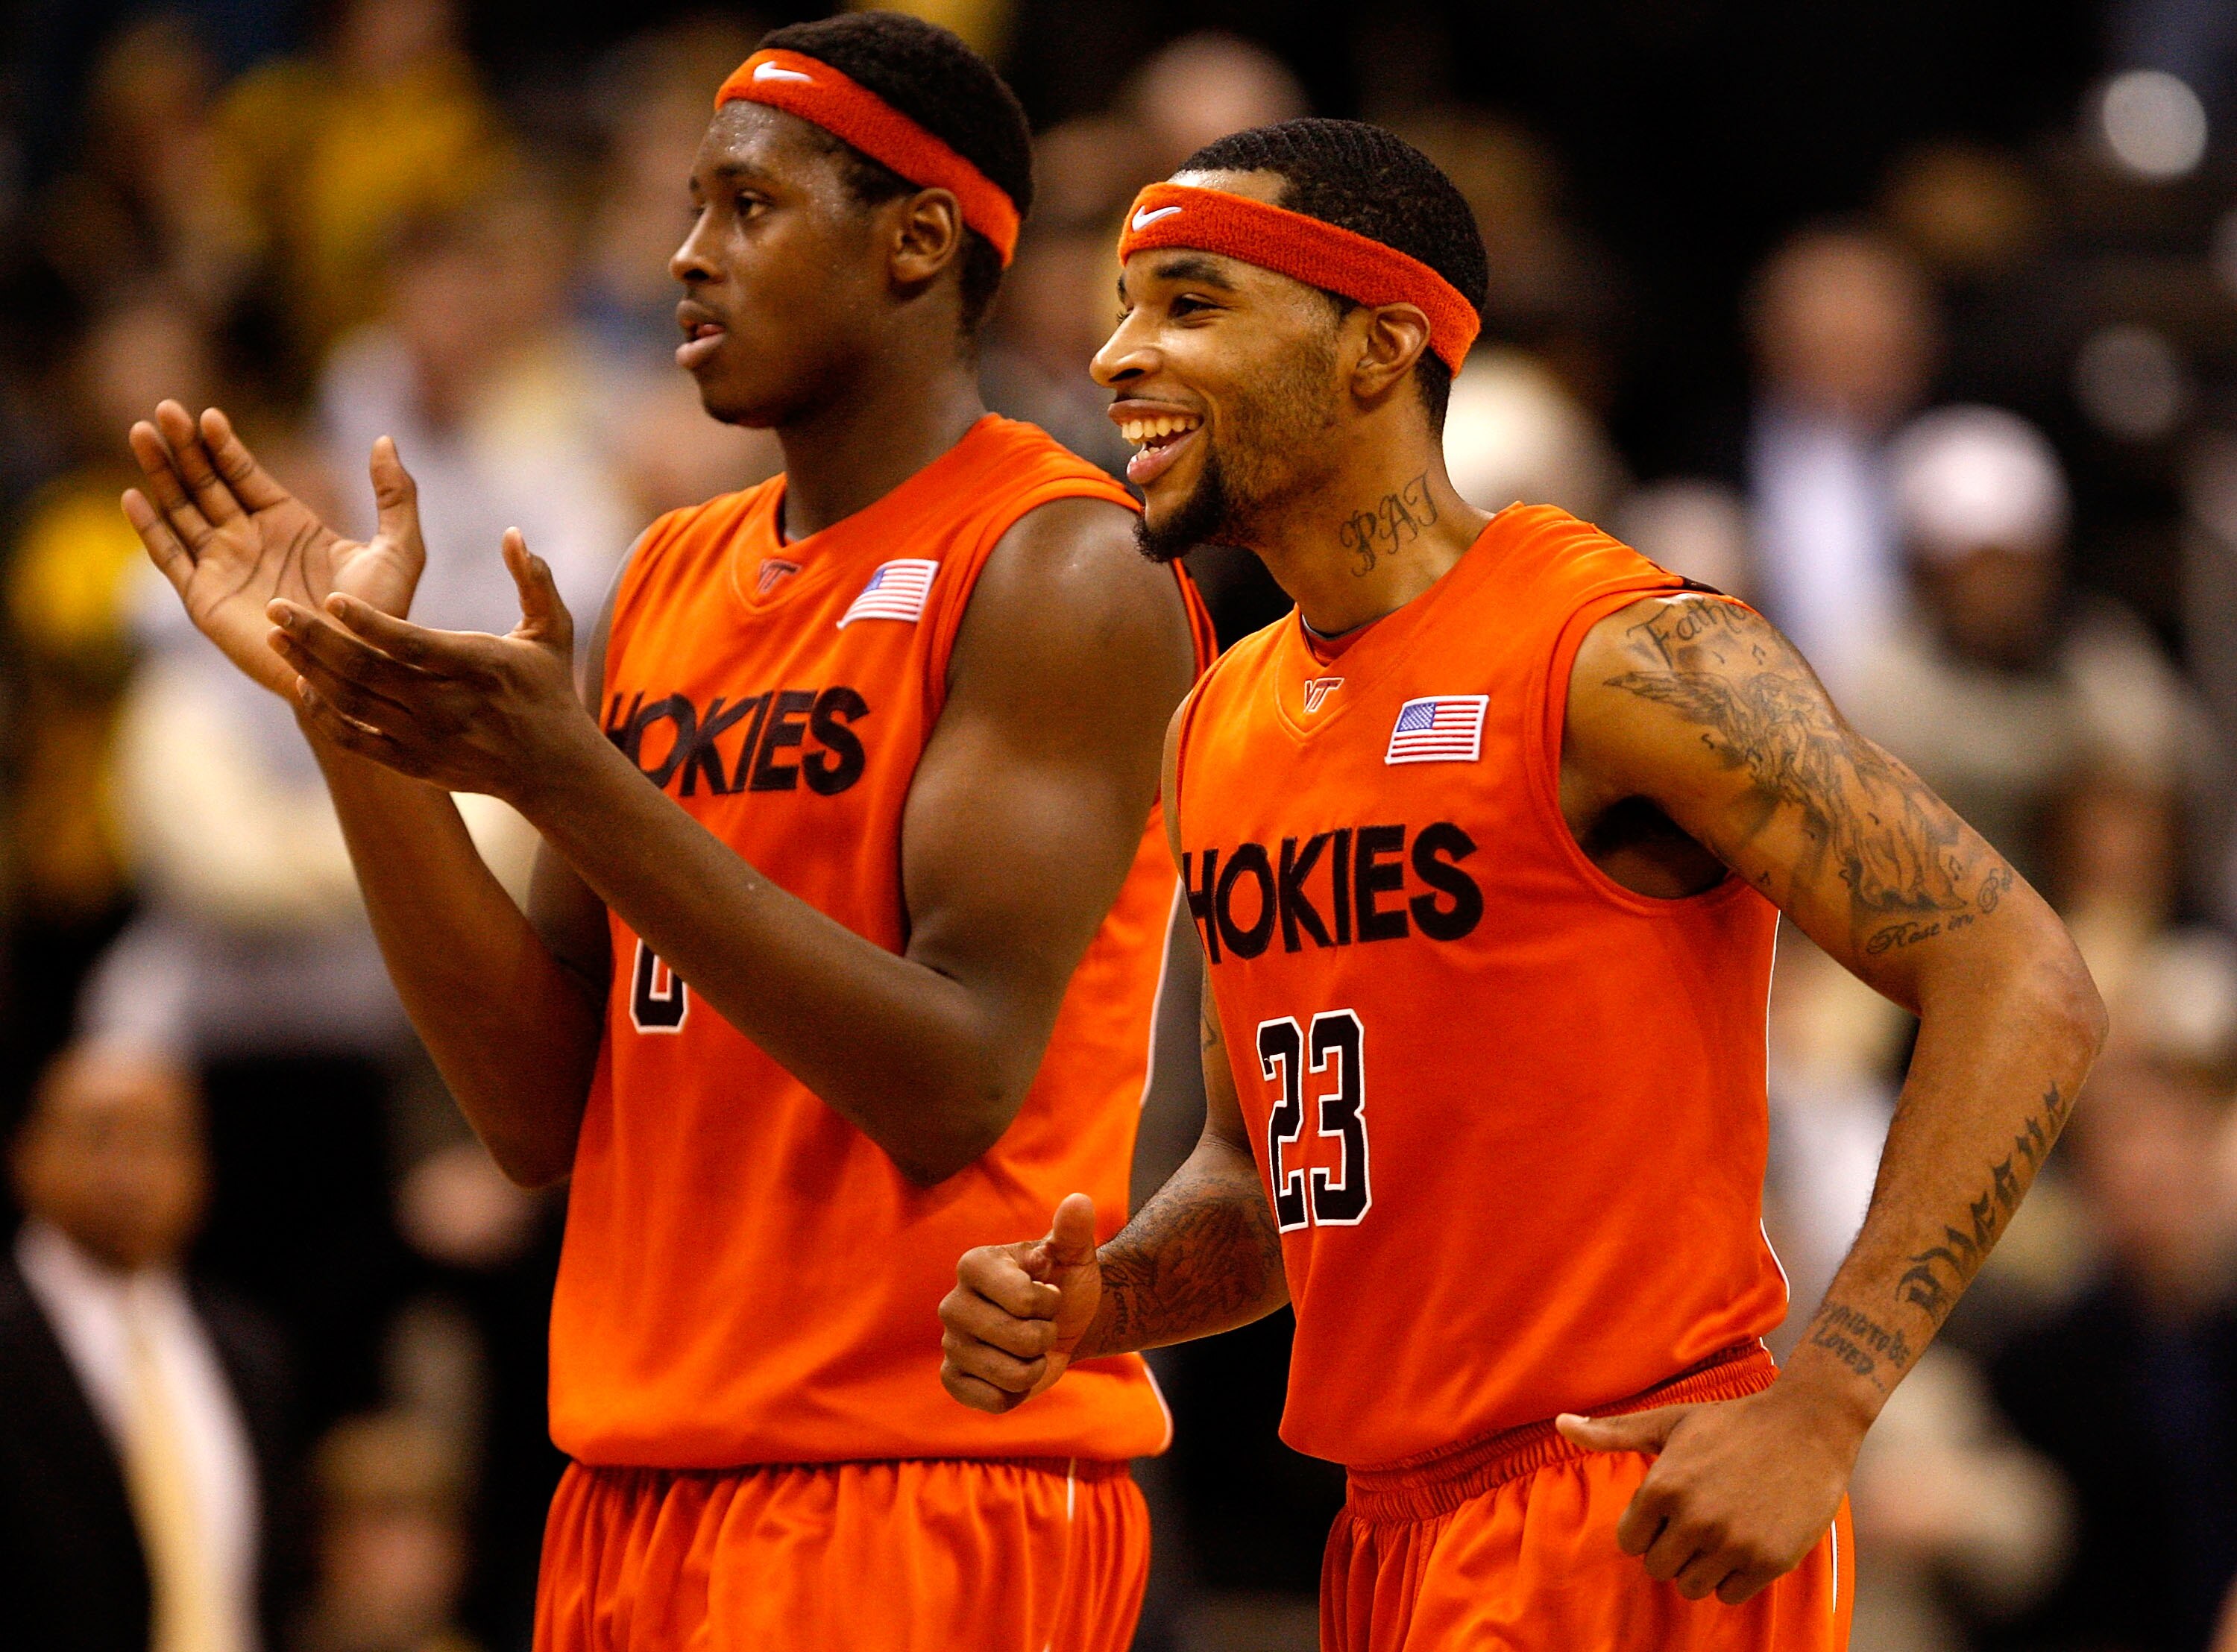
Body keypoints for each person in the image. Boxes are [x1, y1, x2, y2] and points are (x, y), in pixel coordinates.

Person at [937, 119, 2106, 1651]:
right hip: (1384, 1526)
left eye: (1190, 303)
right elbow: (1265, 1182)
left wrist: (1829, 1402)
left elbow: (2023, 975)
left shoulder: (1625, 653)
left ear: (1380, 344)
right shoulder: (1215, 721)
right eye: (1122, 306)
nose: (1116, 357)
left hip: (1620, 1503)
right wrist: (1103, 1304)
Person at [119, 13, 1209, 1651]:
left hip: (915, 1485)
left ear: (917, 240)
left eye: (748, 209)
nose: (687, 257)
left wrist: (574, 782)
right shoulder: (670, 577)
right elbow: (539, 1109)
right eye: (689, 207)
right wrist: (343, 721)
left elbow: (953, 1076)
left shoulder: (1061, 567)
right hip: (632, 1487)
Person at [0, 1044, 295, 1652]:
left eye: (162, 1140)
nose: (131, 1172)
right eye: (100, 1137)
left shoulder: (248, 1349)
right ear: (26, 1154)